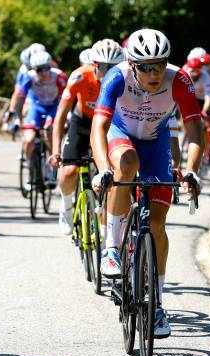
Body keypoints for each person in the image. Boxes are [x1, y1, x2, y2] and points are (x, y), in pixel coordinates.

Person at [90, 28, 204, 338]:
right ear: (132, 64)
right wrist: (102, 169)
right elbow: (98, 126)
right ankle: (112, 248)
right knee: (126, 165)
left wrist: (191, 170)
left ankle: (156, 305)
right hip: (121, 136)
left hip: (157, 144)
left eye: (160, 65)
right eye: (145, 67)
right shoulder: (116, 77)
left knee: (156, 223)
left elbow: (195, 130)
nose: (154, 73)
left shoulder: (178, 80)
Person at [49, 39, 124, 236]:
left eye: (113, 67)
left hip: (108, 127)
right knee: (68, 172)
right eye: (104, 67)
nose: (108, 72)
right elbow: (61, 115)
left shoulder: (125, 79)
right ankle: (66, 207)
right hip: (82, 123)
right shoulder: (79, 76)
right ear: (94, 64)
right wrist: (56, 150)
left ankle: (104, 219)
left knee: (110, 176)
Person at [9, 50, 67, 188]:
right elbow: (20, 97)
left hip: (53, 106)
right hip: (37, 106)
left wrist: (67, 115)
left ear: (50, 66)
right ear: (34, 69)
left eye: (46, 68)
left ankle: (51, 167)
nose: (44, 72)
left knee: (48, 131)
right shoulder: (29, 77)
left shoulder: (59, 76)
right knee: (29, 139)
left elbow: (67, 98)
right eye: (39, 69)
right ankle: (32, 169)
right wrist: (17, 116)